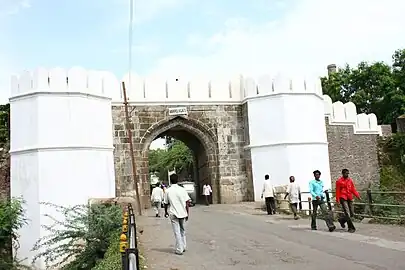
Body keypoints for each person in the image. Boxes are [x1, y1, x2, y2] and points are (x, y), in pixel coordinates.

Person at [164, 173, 191, 255]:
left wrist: (165, 212)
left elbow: (165, 203)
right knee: (182, 230)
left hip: (173, 213)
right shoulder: (182, 189)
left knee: (177, 232)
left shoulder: (168, 191)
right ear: (177, 180)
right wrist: (187, 213)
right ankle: (183, 246)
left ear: (170, 181)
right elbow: (187, 202)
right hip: (183, 212)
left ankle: (179, 249)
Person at [336, 169, 360, 233]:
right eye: (346, 173)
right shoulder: (339, 181)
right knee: (347, 213)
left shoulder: (350, 180)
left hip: (349, 197)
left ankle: (342, 220)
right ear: (343, 174)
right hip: (343, 197)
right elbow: (337, 191)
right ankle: (351, 227)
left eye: (348, 173)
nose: (347, 175)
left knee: (352, 213)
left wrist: (358, 196)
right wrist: (338, 200)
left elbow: (353, 189)